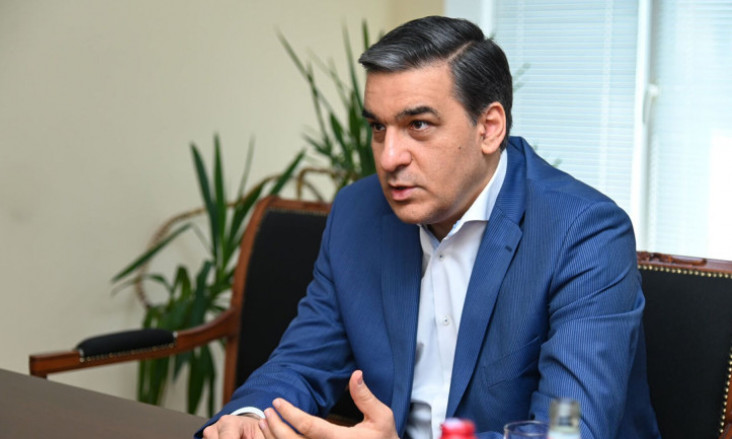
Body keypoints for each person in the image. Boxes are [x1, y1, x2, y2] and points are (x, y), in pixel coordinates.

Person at [197, 15, 660, 439]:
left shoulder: (582, 233)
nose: (389, 158)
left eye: (418, 125)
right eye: (378, 128)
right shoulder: (358, 214)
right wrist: (249, 419)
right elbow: (302, 362)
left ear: (489, 127)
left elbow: (566, 431)